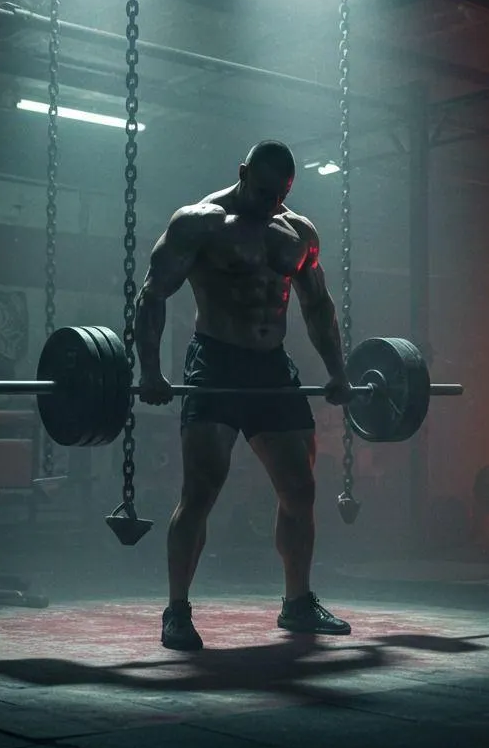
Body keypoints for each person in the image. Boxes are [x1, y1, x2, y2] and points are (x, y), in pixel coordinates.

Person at [134, 139, 354, 651]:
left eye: (279, 195)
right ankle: (177, 611)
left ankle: (297, 604)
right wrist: (150, 369)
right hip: (215, 361)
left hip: (271, 367)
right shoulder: (199, 222)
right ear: (241, 173)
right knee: (202, 491)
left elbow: (317, 307)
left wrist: (338, 372)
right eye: (260, 191)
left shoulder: (296, 233)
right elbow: (154, 293)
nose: (268, 203)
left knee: (300, 489)